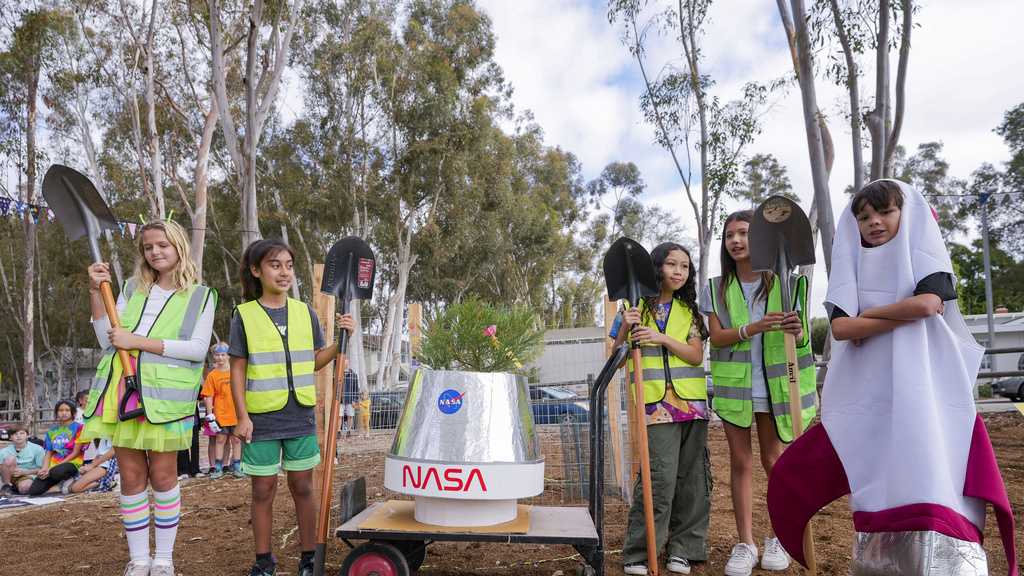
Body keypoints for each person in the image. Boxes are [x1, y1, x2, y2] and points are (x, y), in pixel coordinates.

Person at [767, 180, 1016, 575]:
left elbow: (928, 303)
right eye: (864, 217)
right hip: (874, 397)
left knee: (929, 467)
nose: (874, 222)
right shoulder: (853, 270)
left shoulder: (926, 260)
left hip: (925, 393)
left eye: (885, 212)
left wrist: (865, 319)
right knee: (880, 477)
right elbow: (842, 330)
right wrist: (870, 321)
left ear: (907, 214)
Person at [80, 219, 217, 576]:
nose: (154, 252)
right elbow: (105, 338)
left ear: (179, 247)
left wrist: (136, 342)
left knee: (164, 476)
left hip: (165, 400)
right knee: (130, 476)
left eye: (162, 245)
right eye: (147, 247)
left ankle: (164, 560)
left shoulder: (201, 295)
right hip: (124, 391)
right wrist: (97, 292)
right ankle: (139, 560)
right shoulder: (131, 287)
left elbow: (197, 349)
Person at [229, 238, 355, 576]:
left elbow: (316, 361)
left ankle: (309, 557)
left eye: (288, 265)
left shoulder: (304, 312)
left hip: (299, 416)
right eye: (274, 265)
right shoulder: (244, 316)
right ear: (256, 271)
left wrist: (341, 340)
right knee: (263, 489)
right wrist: (242, 416)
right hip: (261, 419)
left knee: (303, 487)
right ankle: (263, 560)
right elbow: (237, 369)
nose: (283, 272)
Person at [701, 210, 815, 576]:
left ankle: (779, 537)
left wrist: (796, 331)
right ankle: (745, 542)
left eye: (744, 233)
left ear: (760, 239)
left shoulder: (787, 283)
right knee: (741, 462)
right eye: (729, 235)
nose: (735, 241)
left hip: (774, 386)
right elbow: (716, 337)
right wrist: (751, 328)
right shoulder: (715, 287)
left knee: (774, 460)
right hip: (736, 388)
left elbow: (802, 338)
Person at [610, 242, 710, 576]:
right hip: (655, 405)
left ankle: (683, 548)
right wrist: (626, 325)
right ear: (657, 268)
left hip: (692, 405)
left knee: (691, 479)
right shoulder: (634, 307)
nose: (678, 272)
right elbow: (615, 349)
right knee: (659, 479)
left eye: (684, 266)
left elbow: (696, 356)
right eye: (671, 265)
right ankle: (641, 551)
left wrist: (662, 338)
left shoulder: (689, 311)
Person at [27, 400, 85, 496]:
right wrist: (45, 468)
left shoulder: (80, 428)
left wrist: (53, 468)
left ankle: (72, 479)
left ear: (73, 413)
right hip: (53, 466)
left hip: (72, 463)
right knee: (34, 491)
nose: (64, 413)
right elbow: (49, 452)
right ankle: (60, 485)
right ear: (57, 413)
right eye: (61, 410)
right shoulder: (52, 430)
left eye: (67, 410)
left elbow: (76, 452)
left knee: (58, 471)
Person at [202, 342, 242, 478]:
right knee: (220, 440)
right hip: (221, 414)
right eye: (217, 355)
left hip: (236, 413)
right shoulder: (212, 375)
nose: (220, 358)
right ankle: (218, 467)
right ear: (213, 356)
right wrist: (210, 415)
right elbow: (208, 396)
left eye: (223, 355)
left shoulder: (236, 372)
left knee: (236, 440)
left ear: (228, 356)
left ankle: (237, 466)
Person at [0, 424, 45, 495]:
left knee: (25, 488)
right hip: (8, 476)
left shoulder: (38, 449)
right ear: (10, 437)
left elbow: (42, 469)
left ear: (27, 435)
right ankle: (7, 486)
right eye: (15, 434)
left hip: (27, 475)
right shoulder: (4, 451)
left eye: (22, 433)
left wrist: (25, 472)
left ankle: (14, 488)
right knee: (10, 459)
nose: (18, 436)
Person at [341, 369, 358, 436]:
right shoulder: (337, 372)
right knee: (339, 416)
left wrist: (355, 400)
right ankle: (338, 432)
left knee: (350, 415)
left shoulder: (353, 375)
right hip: (340, 400)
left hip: (350, 399)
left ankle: (349, 431)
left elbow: (356, 388)